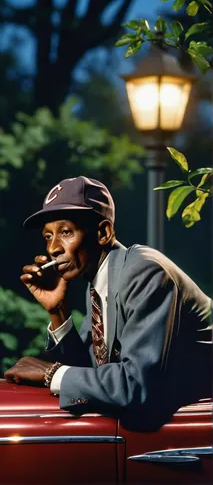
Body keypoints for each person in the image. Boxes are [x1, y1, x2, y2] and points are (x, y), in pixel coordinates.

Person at [4, 176, 212, 428]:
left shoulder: (144, 271)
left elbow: (136, 386)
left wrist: (50, 373)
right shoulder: (100, 281)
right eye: (48, 236)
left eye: (66, 232)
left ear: (103, 233)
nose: (54, 248)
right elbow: (91, 374)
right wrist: (58, 311)